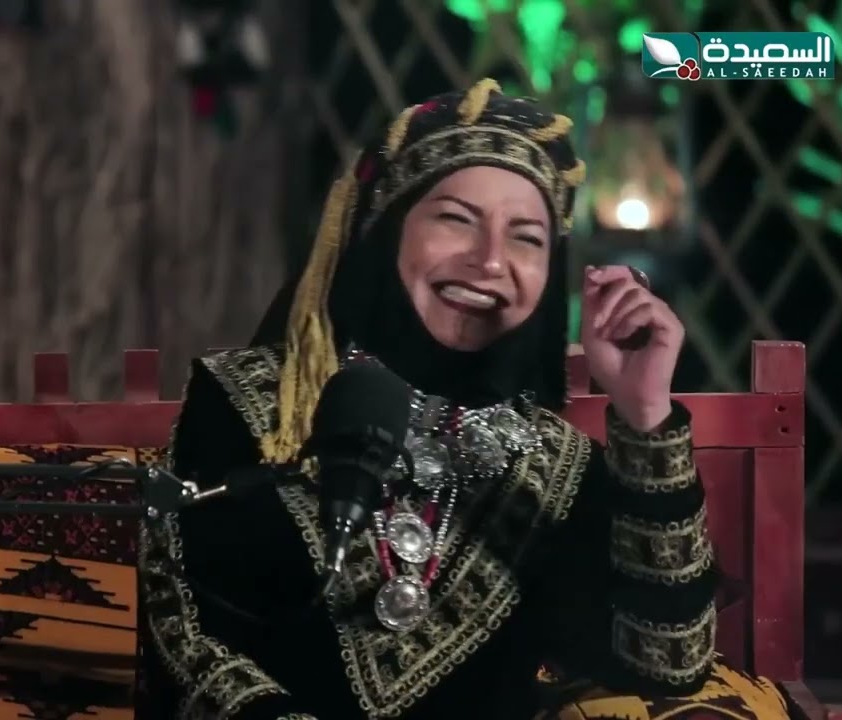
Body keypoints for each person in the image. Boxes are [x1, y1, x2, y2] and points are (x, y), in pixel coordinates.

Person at [138, 79, 790, 720]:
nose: (490, 260)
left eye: (526, 237)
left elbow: (668, 661)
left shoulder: (553, 467)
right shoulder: (252, 404)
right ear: (386, 230)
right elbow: (184, 634)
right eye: (456, 219)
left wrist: (646, 416)